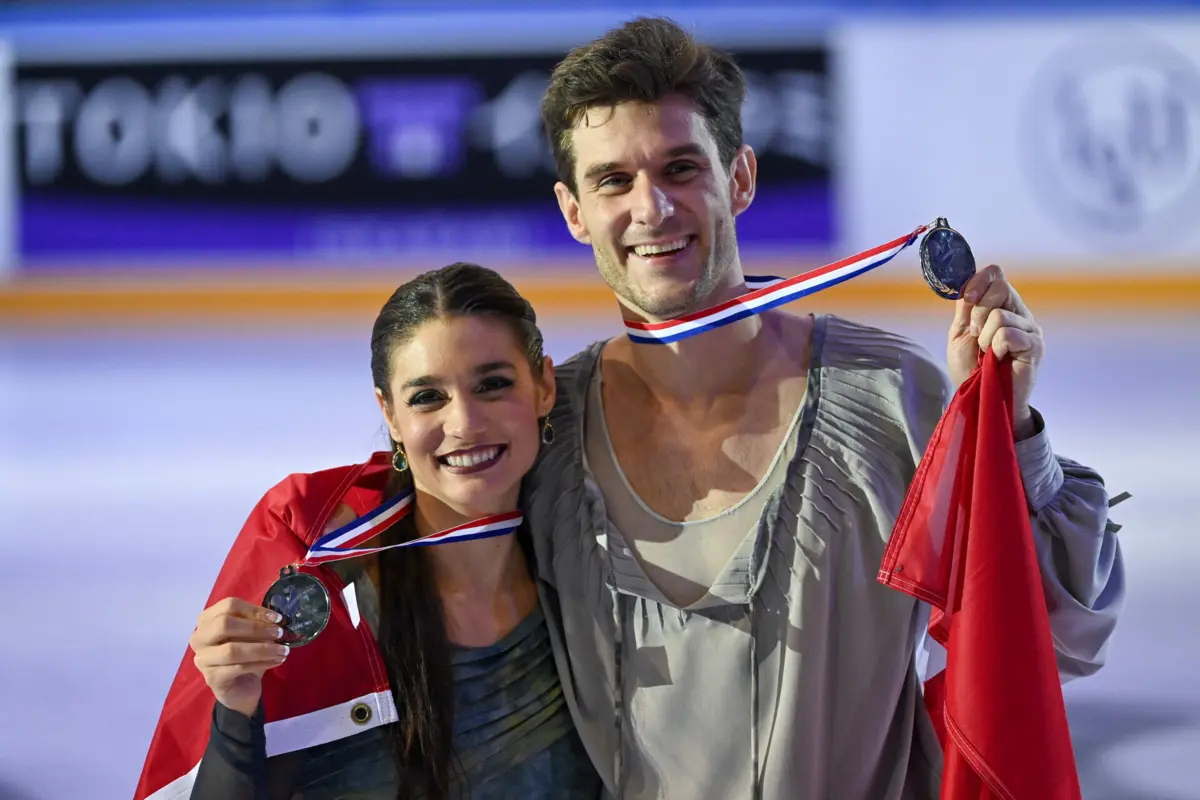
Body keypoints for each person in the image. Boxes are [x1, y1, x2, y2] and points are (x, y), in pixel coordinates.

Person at [518, 16, 1127, 799]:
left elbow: (1060, 640)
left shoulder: (890, 398)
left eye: (679, 169)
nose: (653, 208)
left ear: (739, 178)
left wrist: (1004, 434)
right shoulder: (545, 437)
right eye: (613, 181)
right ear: (573, 211)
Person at [134, 263, 604, 799]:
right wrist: (236, 708)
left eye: (493, 385)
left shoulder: (598, 561)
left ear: (544, 387)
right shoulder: (321, 567)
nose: (465, 423)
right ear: (391, 415)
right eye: (428, 397)